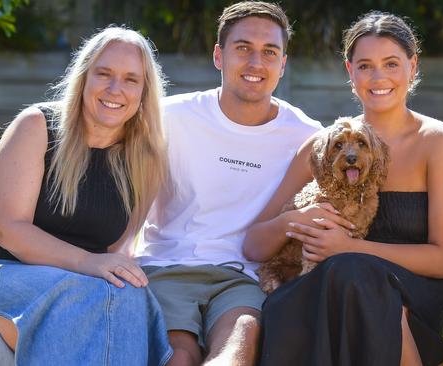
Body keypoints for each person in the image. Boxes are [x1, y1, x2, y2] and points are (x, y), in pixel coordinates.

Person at [244, 11, 443, 366]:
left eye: (392, 63)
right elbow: (254, 243)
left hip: (416, 295)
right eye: (365, 66)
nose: (378, 77)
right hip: (334, 289)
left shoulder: (439, 141)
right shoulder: (322, 148)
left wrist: (348, 247)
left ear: (413, 66)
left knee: (353, 271)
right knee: (301, 295)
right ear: (350, 72)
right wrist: (299, 220)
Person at [133, 2, 322, 365]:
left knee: (237, 350)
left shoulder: (306, 136)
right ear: (219, 56)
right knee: (179, 357)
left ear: (283, 64)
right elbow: (129, 201)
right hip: (167, 268)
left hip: (243, 279)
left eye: (270, 52)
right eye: (243, 49)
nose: (256, 63)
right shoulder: (169, 117)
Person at [0, 26, 171, 365]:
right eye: (104, 74)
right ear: (84, 77)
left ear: (144, 92)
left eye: (131, 79)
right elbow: (9, 231)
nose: (115, 89)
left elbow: (118, 251)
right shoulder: (37, 126)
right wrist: (90, 263)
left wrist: (106, 268)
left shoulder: (146, 159)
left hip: (80, 287)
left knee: (128, 295)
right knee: (80, 296)